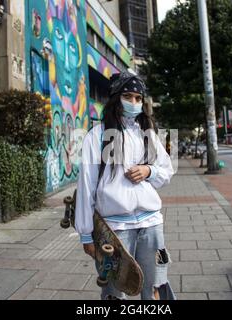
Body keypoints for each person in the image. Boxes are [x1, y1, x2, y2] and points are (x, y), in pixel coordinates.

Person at [74, 71, 176, 300]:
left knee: (156, 286)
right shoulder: (97, 136)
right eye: (128, 96)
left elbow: (167, 170)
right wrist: (86, 235)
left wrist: (148, 171)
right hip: (114, 232)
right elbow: (86, 187)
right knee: (113, 291)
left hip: (152, 226)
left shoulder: (147, 134)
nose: (134, 103)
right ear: (116, 97)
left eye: (138, 98)